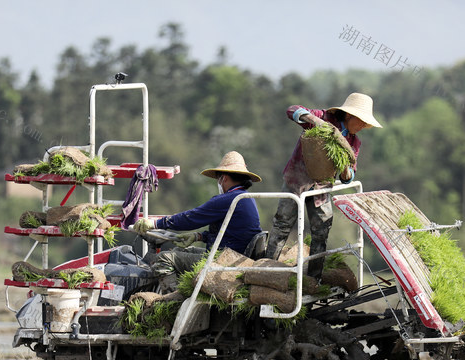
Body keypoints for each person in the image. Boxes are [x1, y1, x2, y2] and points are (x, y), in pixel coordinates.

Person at [265, 92, 382, 277]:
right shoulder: (324, 118)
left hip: (321, 188)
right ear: (350, 116)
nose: (362, 127)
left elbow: (349, 176)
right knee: (282, 224)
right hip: (297, 181)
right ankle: (266, 270)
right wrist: (315, 121)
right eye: (361, 122)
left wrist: (344, 168)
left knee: (322, 229)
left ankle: (314, 278)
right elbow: (292, 110)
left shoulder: (353, 142)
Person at [132, 151, 261, 292]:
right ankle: (184, 292)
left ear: (223, 178)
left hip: (225, 260)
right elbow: (231, 232)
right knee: (179, 250)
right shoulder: (246, 198)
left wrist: (155, 223)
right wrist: (199, 236)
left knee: (164, 259)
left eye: (218, 179)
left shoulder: (228, 200)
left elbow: (191, 218)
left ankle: (172, 301)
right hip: (233, 254)